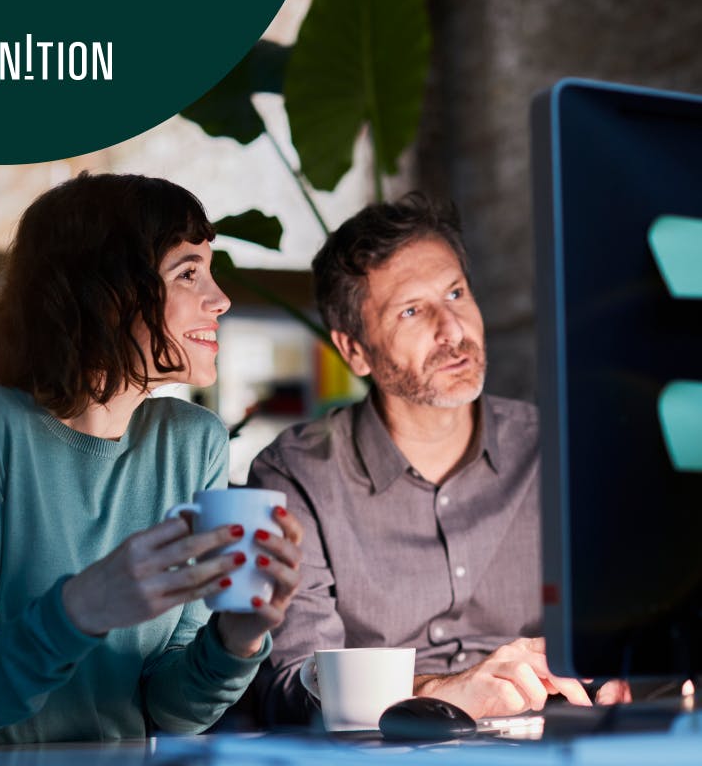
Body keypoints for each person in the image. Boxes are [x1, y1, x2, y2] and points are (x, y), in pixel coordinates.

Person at [0, 172, 303, 748]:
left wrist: (237, 640)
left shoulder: (193, 441)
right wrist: (82, 607)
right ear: (108, 293)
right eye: (188, 273)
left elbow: (173, 710)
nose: (221, 299)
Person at [249, 193, 624, 725]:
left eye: (455, 293)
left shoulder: (558, 449)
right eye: (411, 310)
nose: (453, 331)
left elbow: (629, 627)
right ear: (354, 349)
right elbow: (290, 686)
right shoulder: (296, 476)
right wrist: (447, 692)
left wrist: (625, 672)